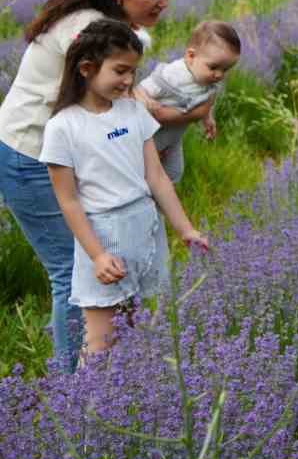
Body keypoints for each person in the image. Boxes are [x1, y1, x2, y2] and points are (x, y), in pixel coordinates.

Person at [0, 0, 177, 372]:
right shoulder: (85, 28)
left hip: (67, 158)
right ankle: (74, 387)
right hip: (27, 157)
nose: (162, 3)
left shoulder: (111, 27)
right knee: (75, 272)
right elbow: (112, 91)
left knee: (107, 263)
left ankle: (109, 374)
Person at [40, 19, 209, 356]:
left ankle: (128, 391)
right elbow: (68, 200)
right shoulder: (63, 127)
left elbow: (156, 177)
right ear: (87, 68)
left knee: (134, 331)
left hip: (143, 230)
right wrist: (97, 255)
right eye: (120, 71)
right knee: (99, 344)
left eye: (133, 71)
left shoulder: (133, 112)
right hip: (104, 237)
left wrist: (185, 229)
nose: (129, 80)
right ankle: (85, 394)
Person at [137, 20, 240, 183]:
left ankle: (163, 196)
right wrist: (146, 101)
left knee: (174, 173)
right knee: (145, 175)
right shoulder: (172, 75)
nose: (219, 75)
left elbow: (207, 97)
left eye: (225, 70)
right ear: (191, 56)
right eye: (213, 67)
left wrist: (208, 118)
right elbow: (141, 89)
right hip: (151, 138)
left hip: (173, 139)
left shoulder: (207, 80)